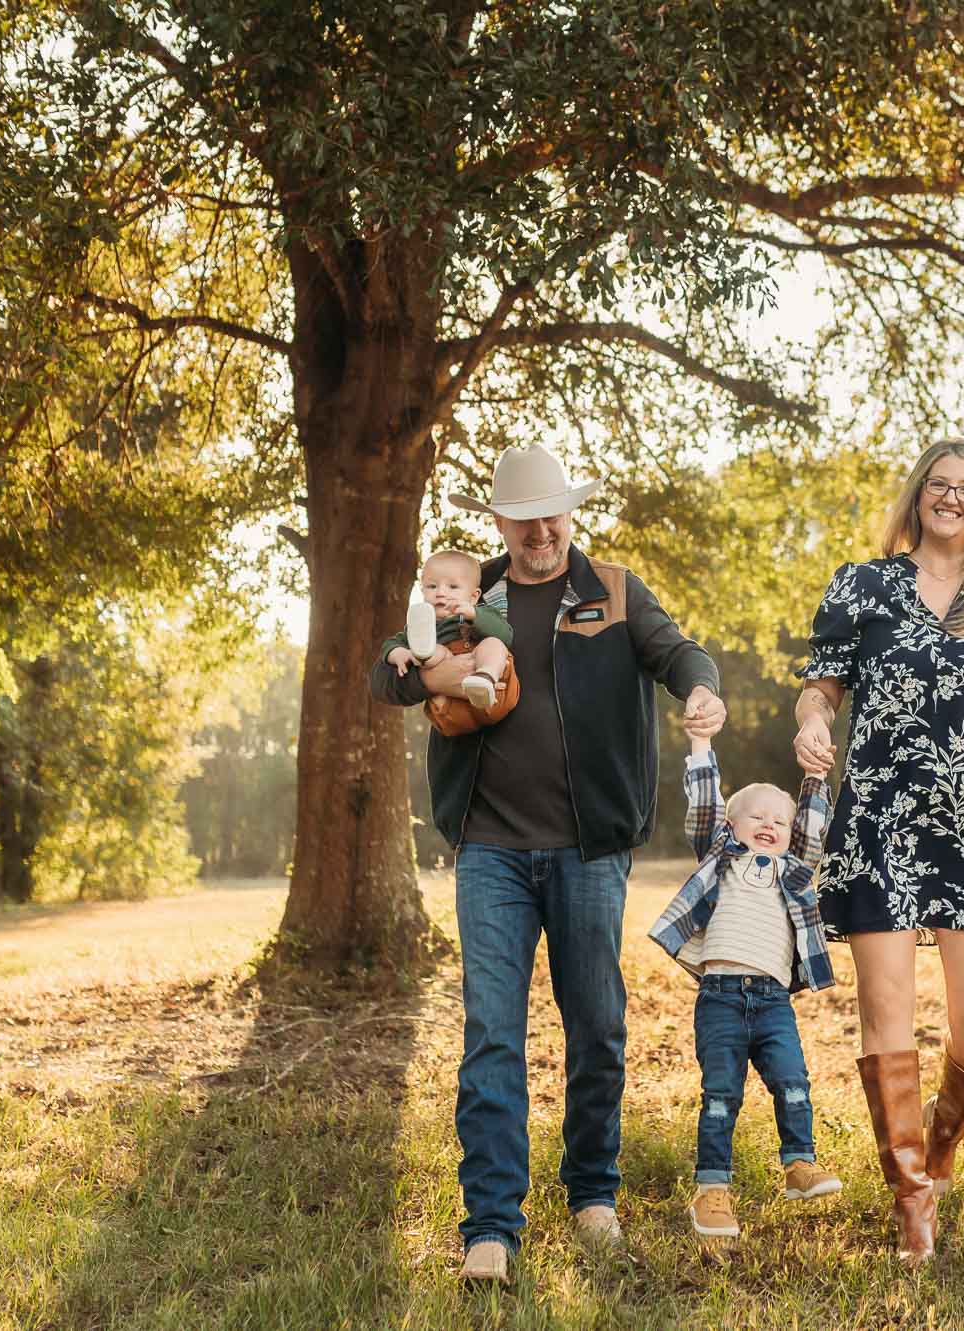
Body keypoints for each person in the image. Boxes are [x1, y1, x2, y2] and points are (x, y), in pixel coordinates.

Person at [369, 444, 726, 1285]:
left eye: (551, 517)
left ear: (570, 513)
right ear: (499, 523)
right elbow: (389, 675)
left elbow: (679, 653)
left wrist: (700, 688)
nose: (540, 533)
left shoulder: (615, 589)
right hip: (489, 849)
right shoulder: (472, 594)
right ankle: (491, 1224)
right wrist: (431, 670)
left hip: (588, 851)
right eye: (523, 521)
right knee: (492, 1031)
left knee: (596, 1024)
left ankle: (593, 1192)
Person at [792, 438, 964, 1266]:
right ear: (917, 496)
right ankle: (911, 1198)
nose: (951, 497)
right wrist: (812, 720)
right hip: (879, 817)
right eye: (938, 484)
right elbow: (822, 684)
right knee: (888, 1010)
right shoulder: (862, 584)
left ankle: (937, 1152)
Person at [647, 724, 844, 1240]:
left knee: (793, 1082)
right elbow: (704, 805)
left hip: (774, 1001)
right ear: (731, 827)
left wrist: (815, 775)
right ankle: (712, 1190)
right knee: (721, 1094)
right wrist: (700, 745)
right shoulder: (721, 858)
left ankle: (799, 1164)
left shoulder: (794, 870)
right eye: (757, 817)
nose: (769, 825)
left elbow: (813, 825)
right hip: (720, 999)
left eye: (779, 821)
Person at [382, 548, 519, 736]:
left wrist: (474, 615)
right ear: (422, 591)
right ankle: (423, 654)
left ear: (473, 596)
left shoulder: (481, 613)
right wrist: (397, 654)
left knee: (494, 644)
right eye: (432, 586)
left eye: (453, 587)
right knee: (437, 651)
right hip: (450, 709)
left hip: (494, 695)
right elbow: (392, 643)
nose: (441, 593)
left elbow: (506, 635)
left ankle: (485, 676)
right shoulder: (420, 626)